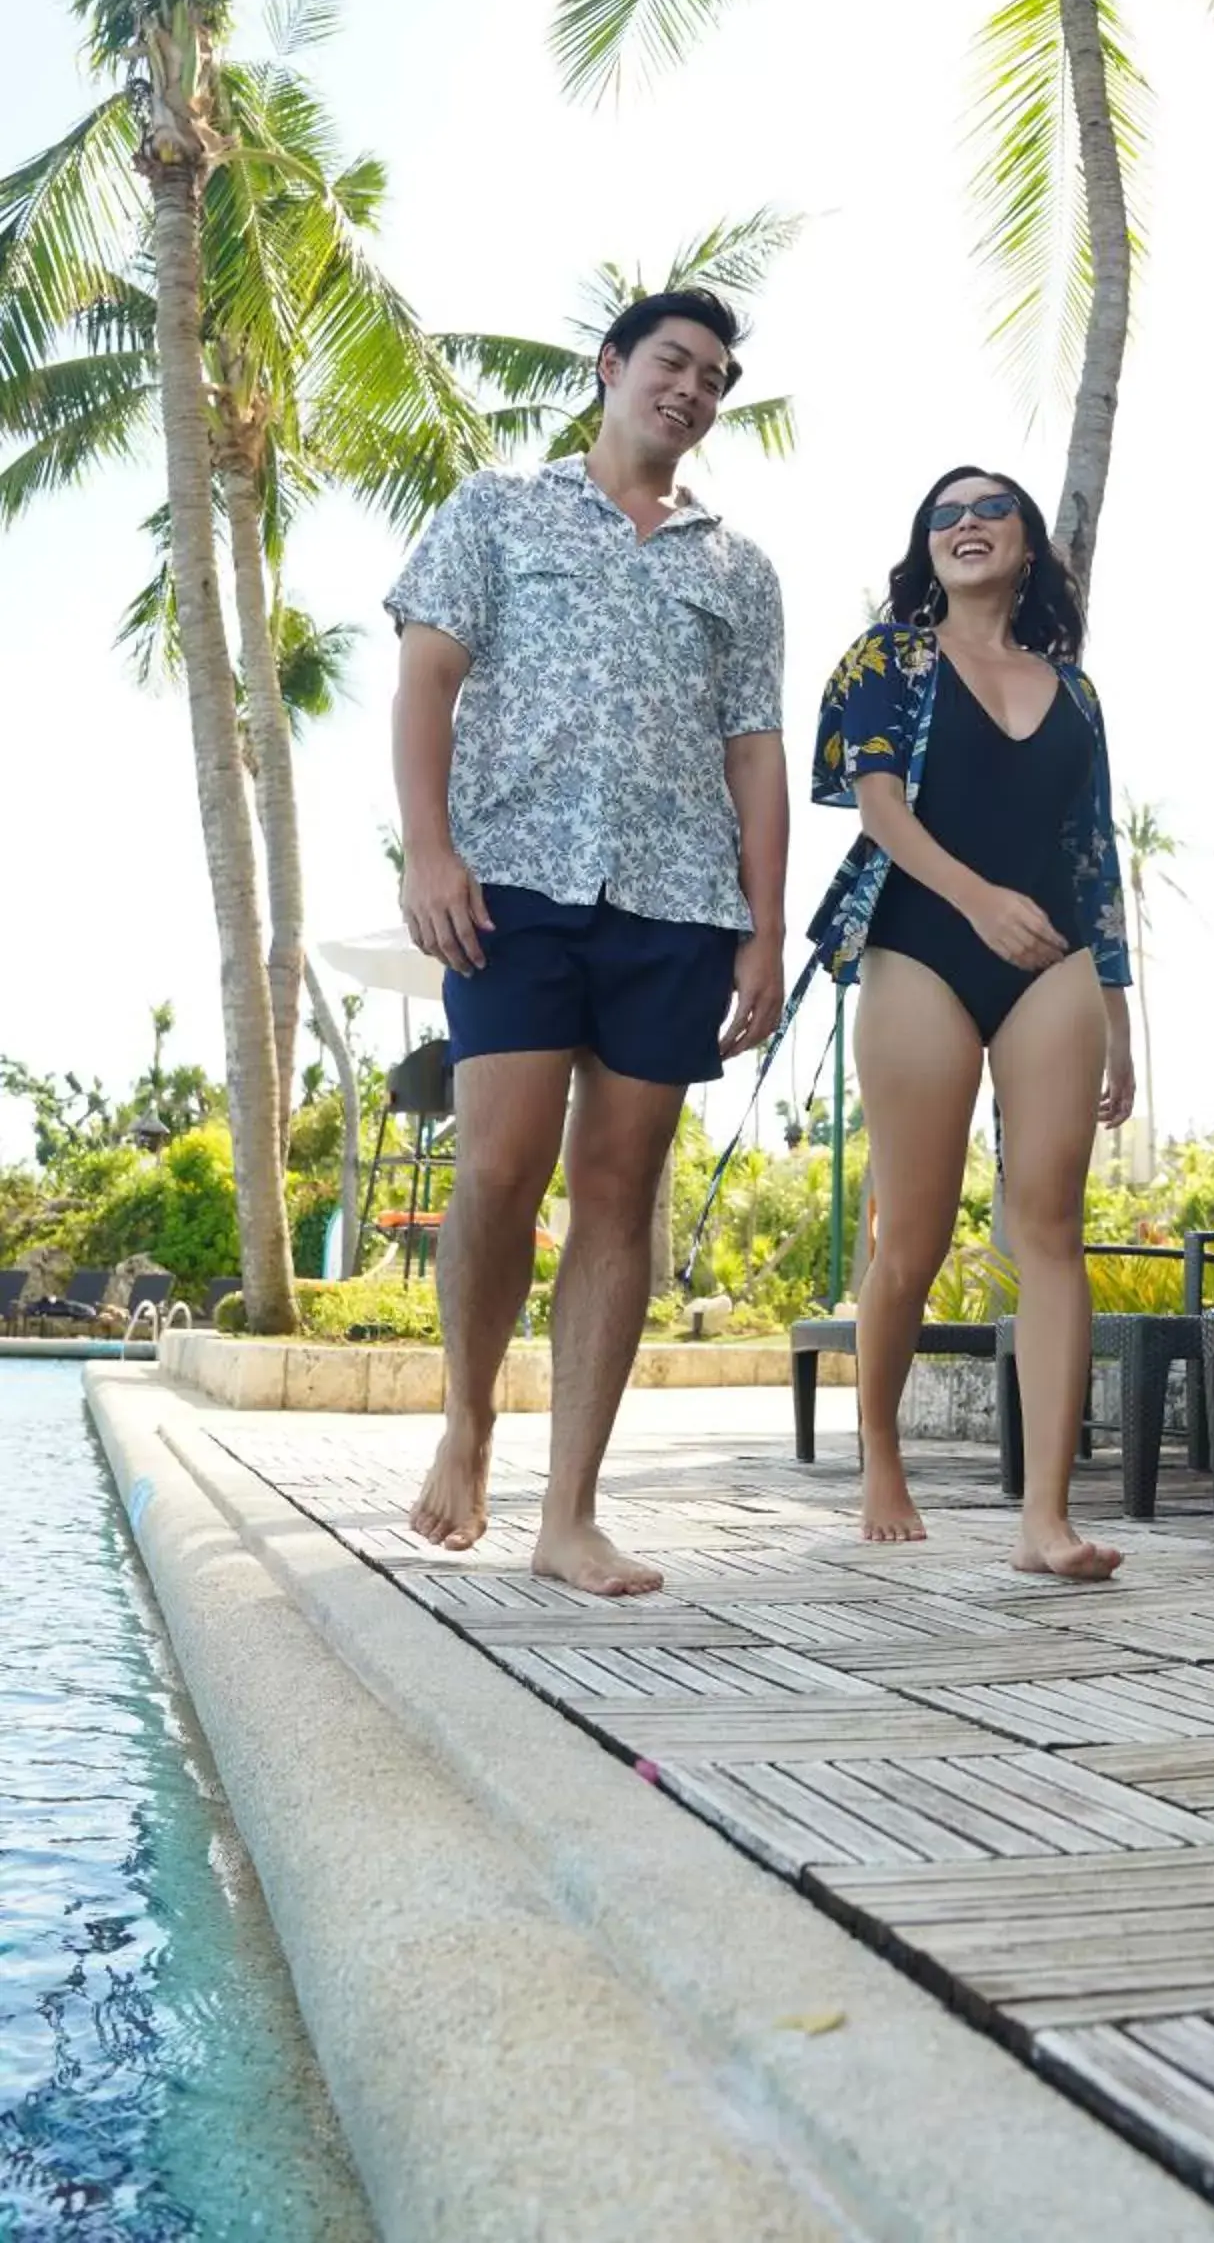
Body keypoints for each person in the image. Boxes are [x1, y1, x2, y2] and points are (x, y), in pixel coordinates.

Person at [386, 286, 787, 1596]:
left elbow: (755, 755)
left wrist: (764, 931)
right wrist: (429, 849)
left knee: (620, 1191)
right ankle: (470, 1420)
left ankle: (571, 1514)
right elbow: (427, 682)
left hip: (678, 904)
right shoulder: (495, 511)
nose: (693, 389)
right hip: (513, 881)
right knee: (498, 1168)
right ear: (613, 368)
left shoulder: (739, 568)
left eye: (715, 378)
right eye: (674, 361)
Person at [811, 467, 1135, 1582]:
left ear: (1027, 544)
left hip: (1052, 960)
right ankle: (881, 1452)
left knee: (1047, 1225)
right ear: (923, 548)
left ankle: (1045, 1517)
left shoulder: (1076, 693)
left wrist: (1116, 1012)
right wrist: (978, 902)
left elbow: (1093, 858)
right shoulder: (887, 658)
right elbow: (880, 810)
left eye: (987, 509)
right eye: (942, 515)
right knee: (915, 1234)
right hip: (923, 945)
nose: (964, 526)